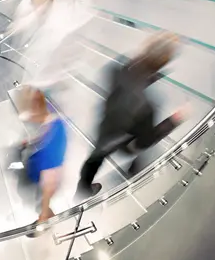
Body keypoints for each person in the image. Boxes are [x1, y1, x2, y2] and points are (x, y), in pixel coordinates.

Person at [77, 31, 188, 197]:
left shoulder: (119, 68)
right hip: (127, 139)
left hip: (107, 126)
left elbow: (126, 82)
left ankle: (83, 188)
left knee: (96, 156)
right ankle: (132, 178)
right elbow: (147, 139)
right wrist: (174, 120)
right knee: (145, 152)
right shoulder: (146, 106)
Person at [14, 89, 67, 233]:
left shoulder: (54, 137)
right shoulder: (49, 121)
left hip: (40, 176)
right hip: (34, 168)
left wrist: (43, 214)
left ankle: (47, 220)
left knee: (35, 197)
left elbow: (48, 182)